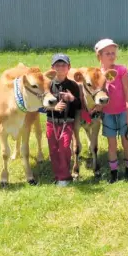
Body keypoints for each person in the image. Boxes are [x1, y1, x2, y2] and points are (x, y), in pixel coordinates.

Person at [94, 38, 128, 183]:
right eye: (107, 53)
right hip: (108, 114)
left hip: (123, 112)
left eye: (113, 53)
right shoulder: (97, 74)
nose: (111, 56)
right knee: (112, 145)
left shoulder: (121, 70)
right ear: (99, 56)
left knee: (126, 142)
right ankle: (114, 172)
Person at [46, 53, 81, 187]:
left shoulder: (73, 85)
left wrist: (72, 99)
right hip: (51, 121)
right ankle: (58, 175)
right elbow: (41, 105)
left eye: (63, 65)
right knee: (53, 149)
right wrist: (53, 107)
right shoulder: (48, 85)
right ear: (52, 68)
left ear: (69, 67)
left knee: (65, 147)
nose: (60, 68)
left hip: (67, 121)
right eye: (57, 65)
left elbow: (79, 106)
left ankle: (65, 176)